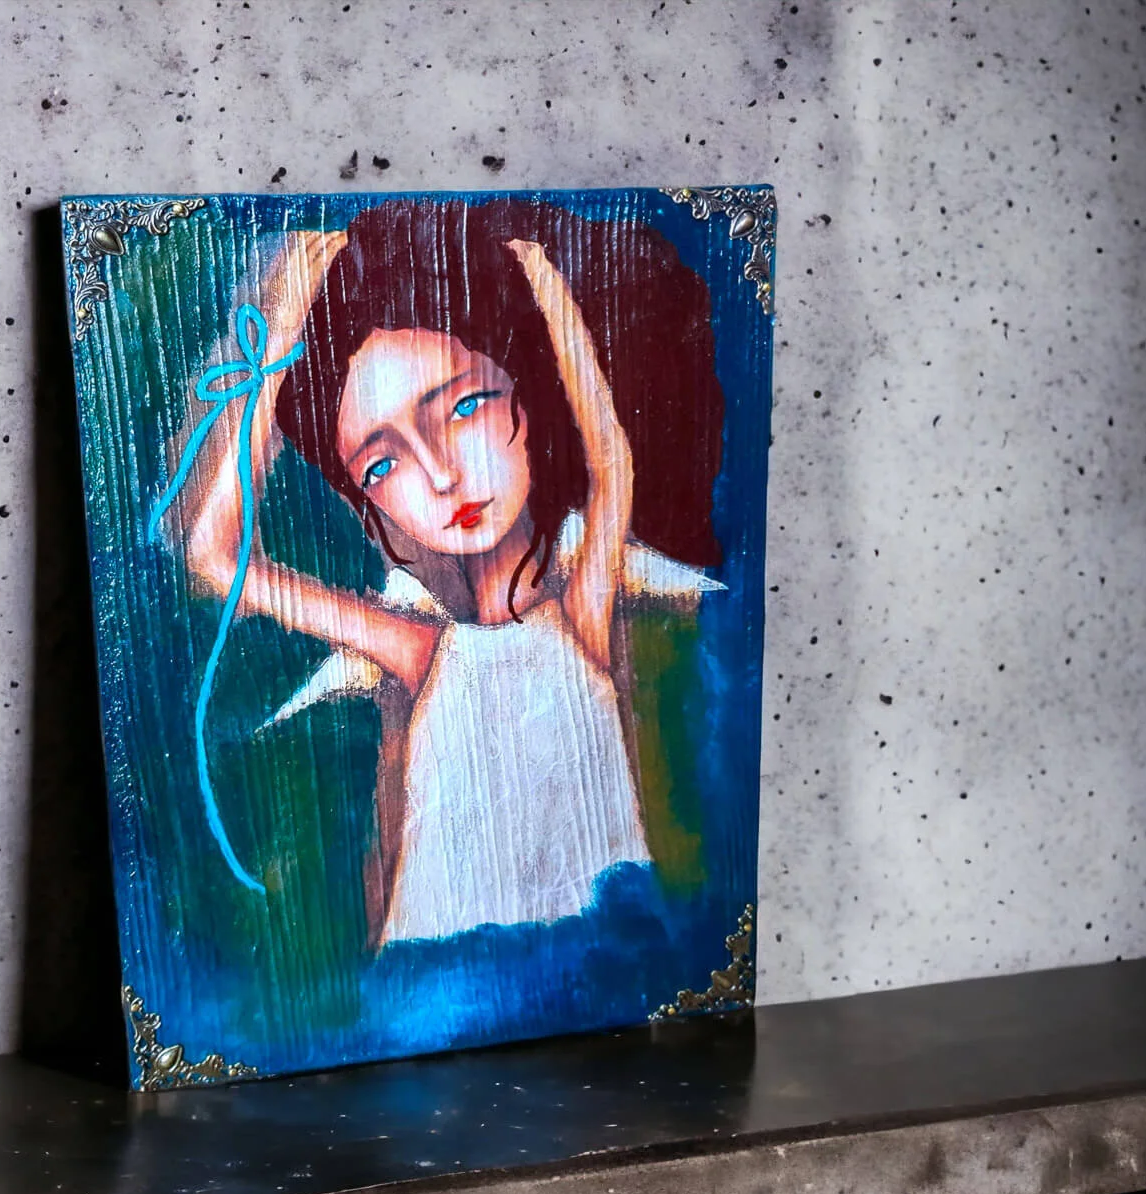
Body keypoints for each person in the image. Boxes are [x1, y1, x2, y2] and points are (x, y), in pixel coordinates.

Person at [162, 199, 727, 947]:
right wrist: (285, 316)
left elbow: (610, 460)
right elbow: (214, 556)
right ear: (372, 506)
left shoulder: (579, 617)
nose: (439, 474)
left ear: (527, 399)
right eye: (382, 463)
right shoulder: (420, 650)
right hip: (440, 972)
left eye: (462, 407)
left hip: (603, 957)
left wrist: (543, 281)